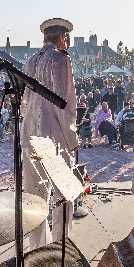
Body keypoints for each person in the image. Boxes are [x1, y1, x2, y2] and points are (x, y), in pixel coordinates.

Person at [22, 18, 79, 250]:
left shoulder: (30, 61)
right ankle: (60, 249)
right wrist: (72, 138)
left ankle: (38, 251)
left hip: (29, 134)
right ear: (62, 37)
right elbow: (65, 103)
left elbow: (26, 100)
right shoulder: (60, 59)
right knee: (64, 196)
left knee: (35, 198)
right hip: (53, 136)